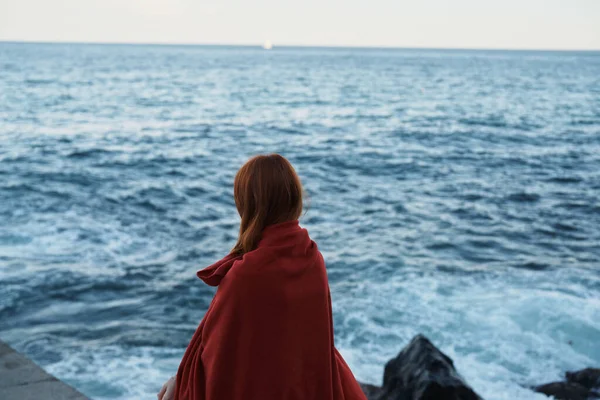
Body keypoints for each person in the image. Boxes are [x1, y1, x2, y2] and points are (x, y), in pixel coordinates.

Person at [158, 154, 367, 400]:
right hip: (304, 386)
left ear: (250, 204)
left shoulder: (247, 274)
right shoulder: (311, 257)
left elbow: (218, 360)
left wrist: (180, 385)